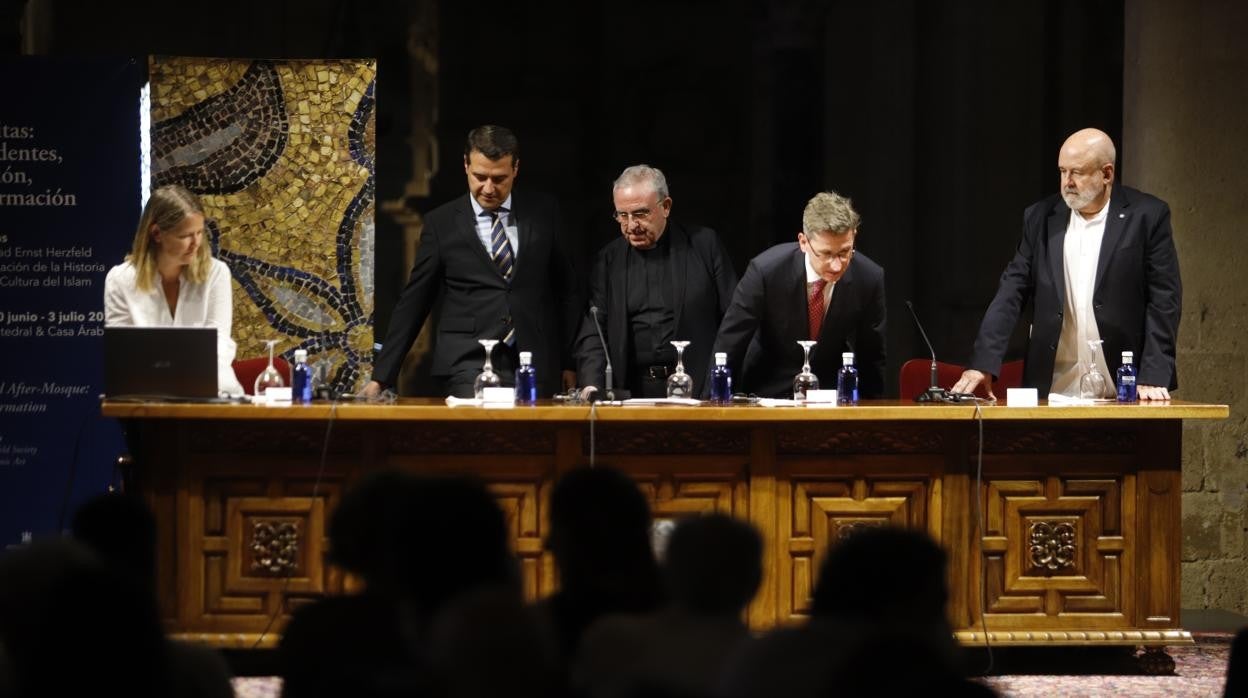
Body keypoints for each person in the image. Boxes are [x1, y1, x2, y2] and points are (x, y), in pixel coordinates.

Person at [952, 127, 1181, 400]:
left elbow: (1164, 300)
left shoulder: (1147, 216)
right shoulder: (1040, 218)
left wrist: (1153, 375)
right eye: (1062, 171)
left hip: (1125, 384)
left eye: (1077, 172)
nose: (1067, 182)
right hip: (1054, 385)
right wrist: (983, 361)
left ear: (1107, 174)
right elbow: (1012, 291)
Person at [363, 125, 582, 398]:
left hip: (535, 360)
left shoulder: (544, 213)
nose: (488, 188)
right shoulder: (441, 224)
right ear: (466, 165)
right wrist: (381, 378)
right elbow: (414, 302)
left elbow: (567, 292)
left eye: (499, 178)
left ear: (515, 169)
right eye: (480, 177)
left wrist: (570, 362)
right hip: (467, 361)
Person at [574, 164, 738, 399]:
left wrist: (718, 384)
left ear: (666, 207)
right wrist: (592, 384)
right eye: (622, 215)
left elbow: (733, 321)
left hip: (698, 389)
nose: (631, 226)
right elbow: (594, 330)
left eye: (640, 214)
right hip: (630, 393)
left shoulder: (704, 246)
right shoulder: (608, 259)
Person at [711, 191, 886, 398]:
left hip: (830, 395)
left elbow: (872, 357)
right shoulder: (766, 271)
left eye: (845, 252)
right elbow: (730, 342)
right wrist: (712, 405)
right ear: (803, 242)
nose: (837, 265)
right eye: (826, 254)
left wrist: (872, 412)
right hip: (767, 391)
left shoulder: (868, 277)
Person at [103, 184, 245, 396]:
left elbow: (220, 344)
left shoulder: (216, 273)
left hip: (211, 391)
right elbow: (122, 352)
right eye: (185, 236)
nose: (196, 243)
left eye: (199, 232)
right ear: (156, 233)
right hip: (145, 395)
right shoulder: (120, 279)